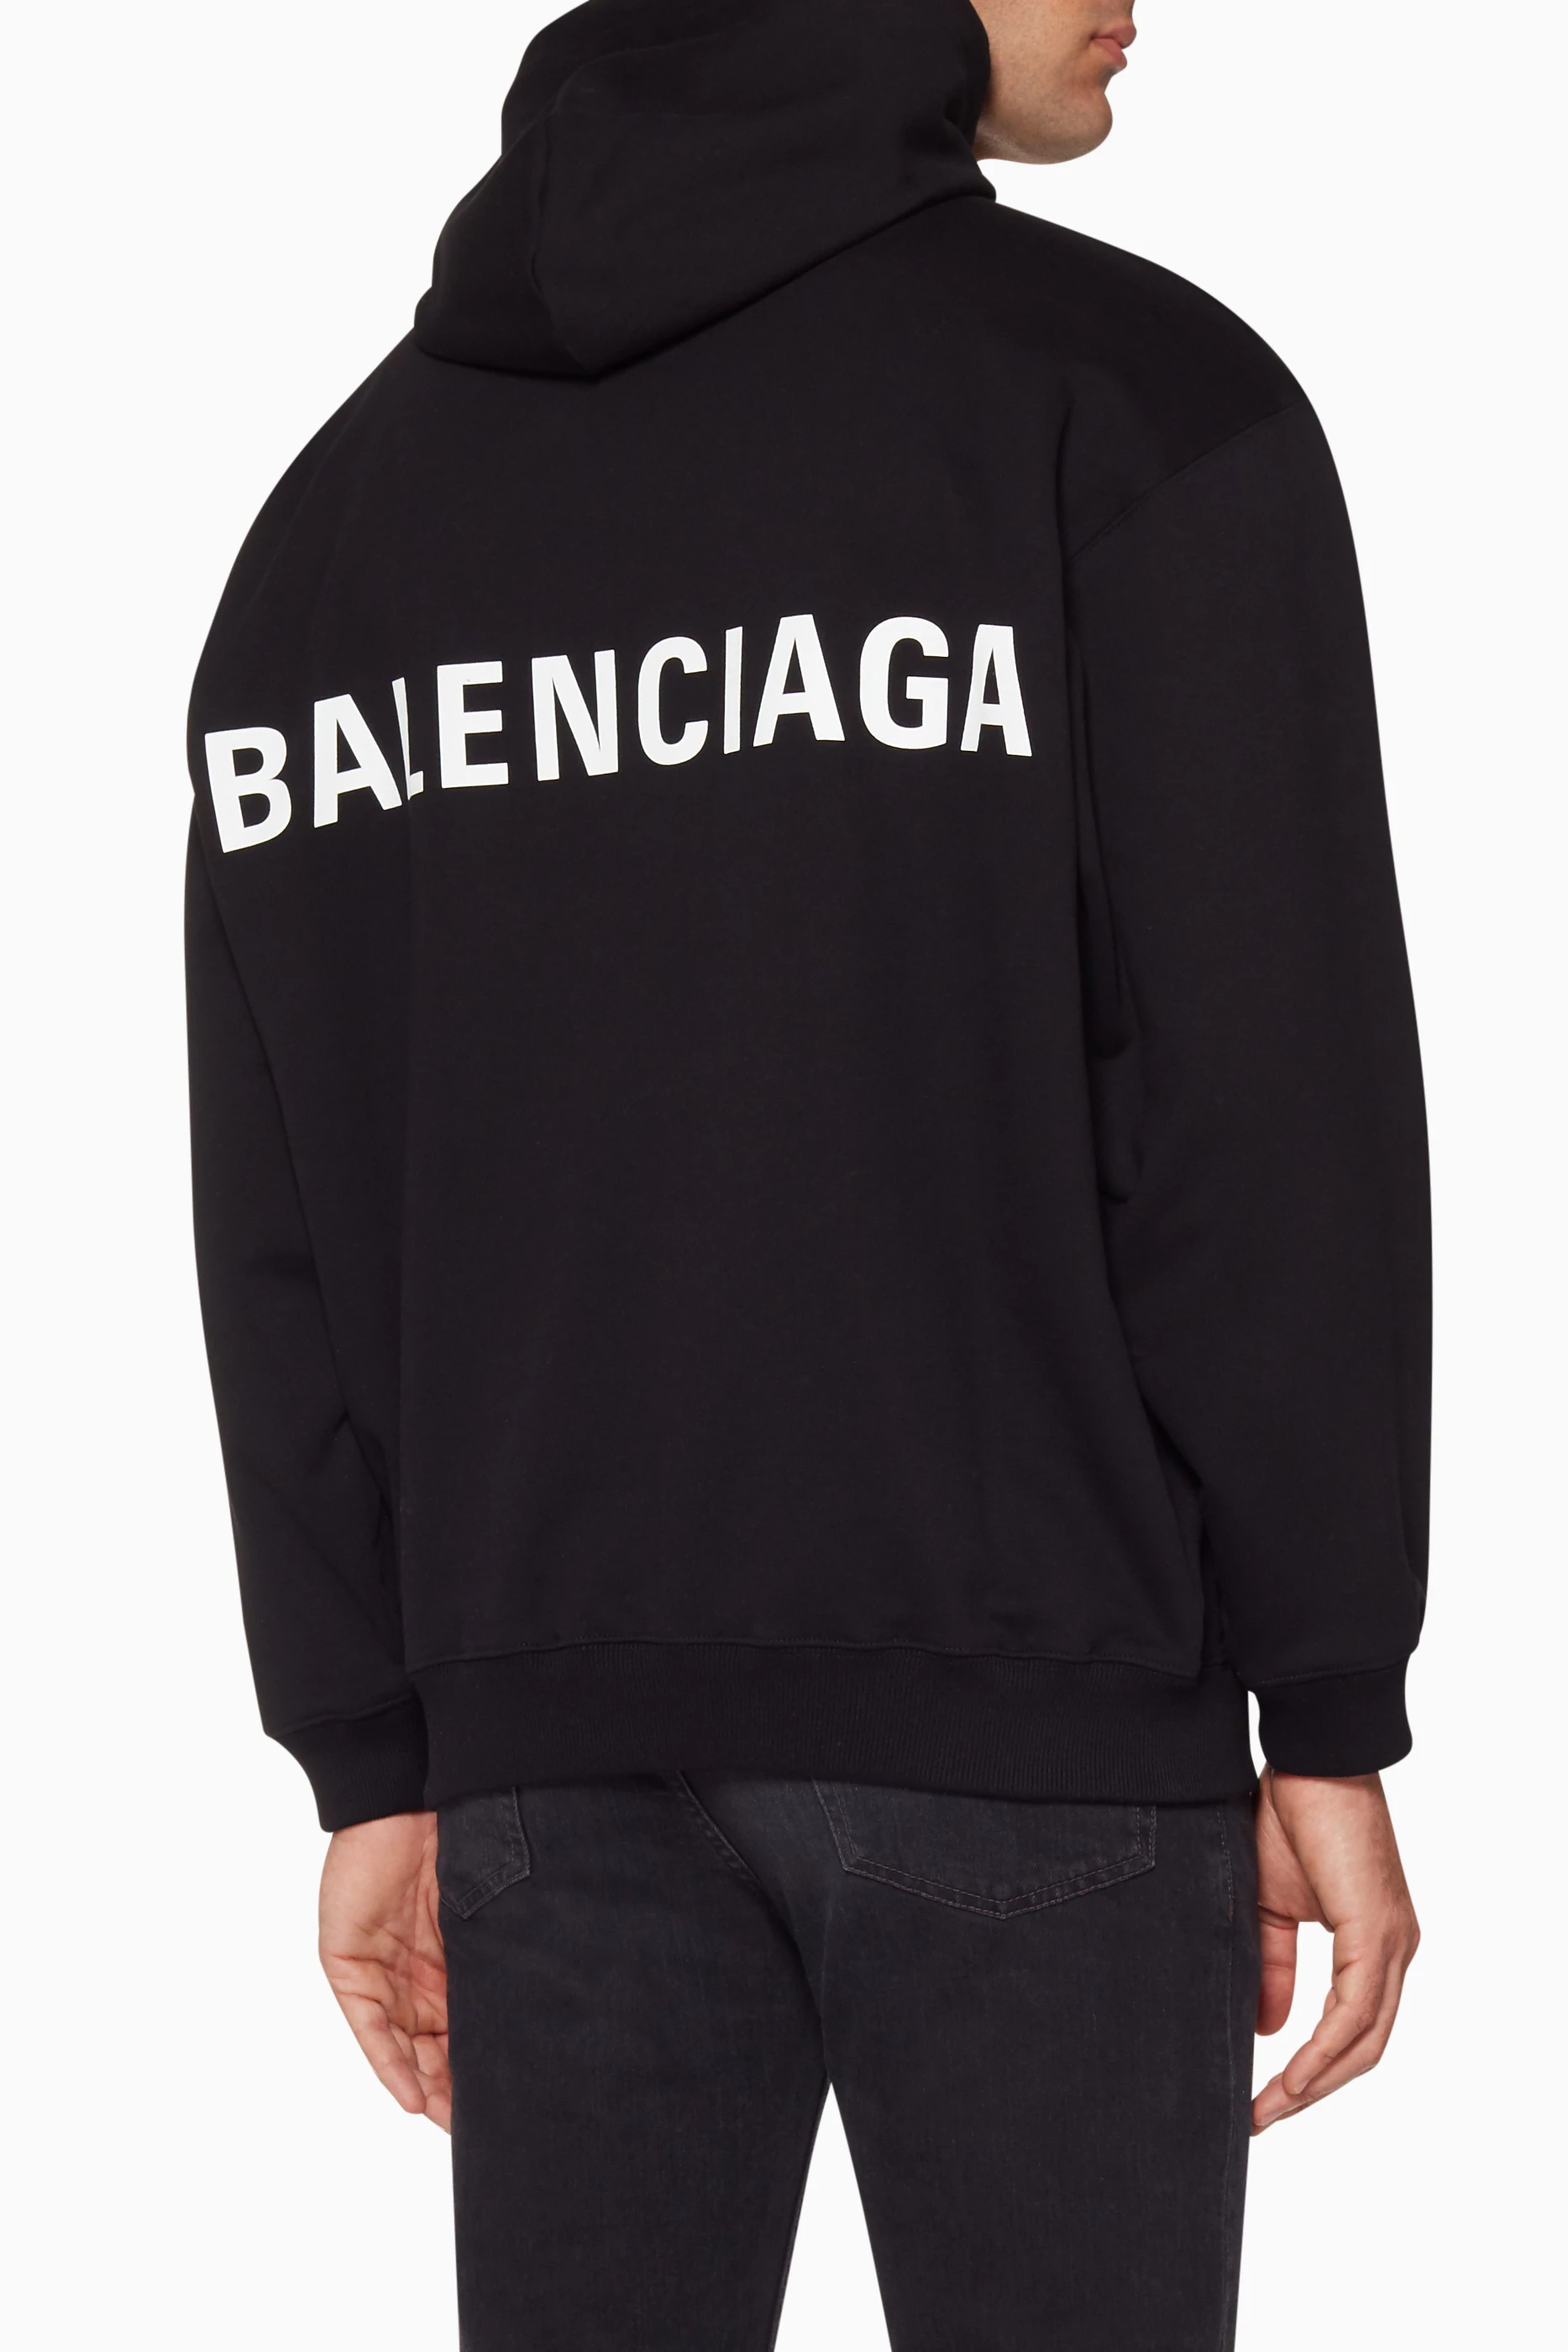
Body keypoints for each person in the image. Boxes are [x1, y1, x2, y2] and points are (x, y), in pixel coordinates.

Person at [184, 1, 1426, 2343]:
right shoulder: (1130, 401)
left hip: (541, 1746)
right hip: (1042, 1703)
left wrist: (377, 1750)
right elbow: (1268, 1105)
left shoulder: (335, 527)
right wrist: (1328, 1699)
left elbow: (286, 1212)